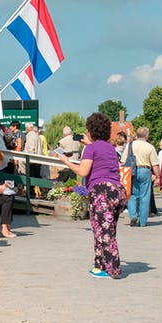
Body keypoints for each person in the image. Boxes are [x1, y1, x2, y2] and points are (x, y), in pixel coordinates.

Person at [57, 112, 127, 278]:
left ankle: (113, 268)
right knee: (108, 229)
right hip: (117, 190)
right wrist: (89, 143)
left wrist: (66, 162)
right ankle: (100, 265)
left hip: (101, 191)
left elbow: (83, 171)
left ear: (90, 130)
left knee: (102, 231)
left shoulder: (90, 149)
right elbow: (100, 155)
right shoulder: (109, 147)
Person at [125, 127, 159, 227]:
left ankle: (133, 216)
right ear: (146, 135)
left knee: (131, 195)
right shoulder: (150, 147)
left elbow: (123, 161)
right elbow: (155, 165)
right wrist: (158, 176)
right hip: (145, 170)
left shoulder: (129, 145)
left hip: (131, 170)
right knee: (144, 196)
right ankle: (143, 221)